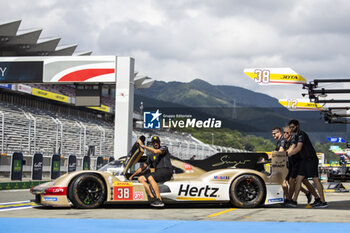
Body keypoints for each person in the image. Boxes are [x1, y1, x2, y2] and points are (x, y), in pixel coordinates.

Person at [287, 119, 327, 208]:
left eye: (292, 127)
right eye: (290, 127)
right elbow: (292, 147)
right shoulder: (295, 136)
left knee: (315, 180)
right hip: (304, 160)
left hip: (311, 159)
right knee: (298, 179)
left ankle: (323, 202)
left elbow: (298, 148)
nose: (291, 128)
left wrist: (287, 154)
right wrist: (284, 154)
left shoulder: (301, 134)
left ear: (297, 126)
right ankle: (294, 201)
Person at [129, 136, 173, 208]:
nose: (156, 144)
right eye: (154, 142)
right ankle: (152, 198)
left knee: (150, 177)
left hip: (166, 170)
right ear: (152, 144)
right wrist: (132, 175)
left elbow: (156, 151)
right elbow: (143, 167)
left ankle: (159, 200)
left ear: (160, 142)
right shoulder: (150, 156)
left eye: (157, 142)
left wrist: (142, 146)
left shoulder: (164, 148)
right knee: (141, 179)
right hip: (158, 172)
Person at [282, 126, 315, 206]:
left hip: (298, 163)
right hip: (292, 163)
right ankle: (309, 194)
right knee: (301, 181)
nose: (285, 134)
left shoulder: (293, 140)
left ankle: (290, 200)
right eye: (284, 132)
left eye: (287, 132)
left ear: (290, 133)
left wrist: (284, 153)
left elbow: (291, 149)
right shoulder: (286, 141)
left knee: (293, 181)